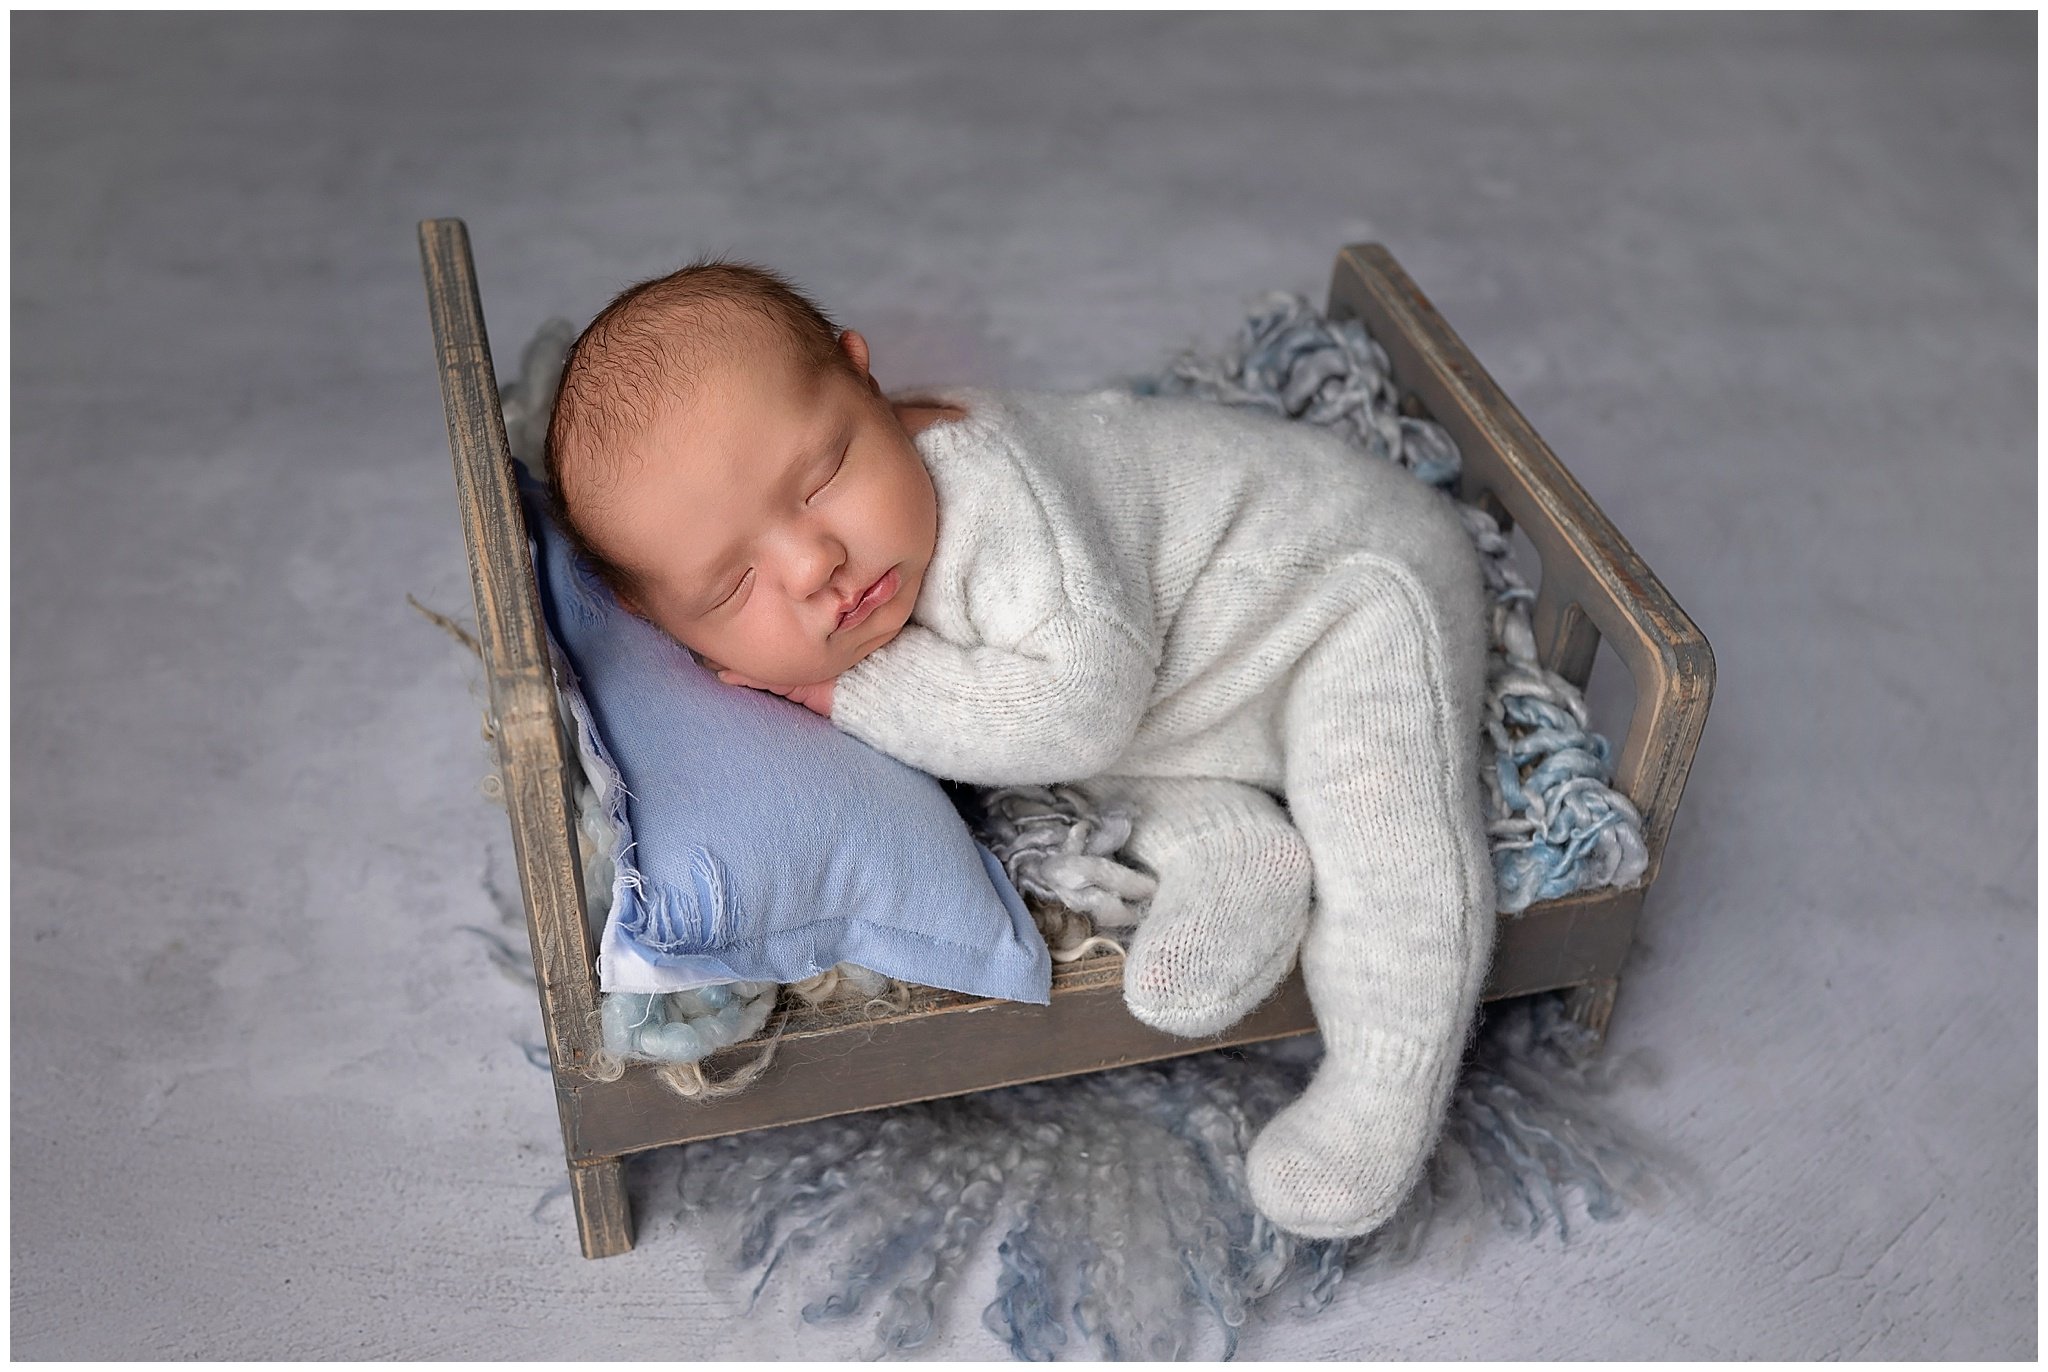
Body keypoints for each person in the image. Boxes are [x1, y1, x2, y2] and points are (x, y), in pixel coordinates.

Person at [543, 259, 1497, 1241]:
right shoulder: (867, 556)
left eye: (822, 476)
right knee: (1076, 768)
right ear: (670, 629)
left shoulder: (998, 503)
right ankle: (1239, 851)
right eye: (732, 585)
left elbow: (1075, 709)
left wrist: (849, 690)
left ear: (865, 382)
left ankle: (1386, 1073)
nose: (810, 562)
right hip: (1186, 680)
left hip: (1340, 593)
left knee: (1384, 819)